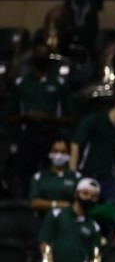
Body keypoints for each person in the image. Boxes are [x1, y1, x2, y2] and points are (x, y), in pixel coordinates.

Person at [9, 41, 74, 198]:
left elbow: (70, 118)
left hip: (52, 136)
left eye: (44, 53)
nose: (41, 56)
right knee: (26, 175)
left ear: (49, 57)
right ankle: (27, 206)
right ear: (32, 57)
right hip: (28, 135)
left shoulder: (59, 83)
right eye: (38, 53)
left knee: (51, 173)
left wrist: (48, 118)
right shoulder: (21, 83)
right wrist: (27, 117)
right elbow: (10, 117)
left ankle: (53, 204)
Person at [70, 90, 115, 212]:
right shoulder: (95, 120)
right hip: (89, 175)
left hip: (109, 181)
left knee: (108, 217)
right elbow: (76, 144)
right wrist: (72, 175)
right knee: (84, 214)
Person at [28, 138, 82, 218]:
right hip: (44, 221)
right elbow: (33, 203)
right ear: (50, 153)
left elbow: (79, 204)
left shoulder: (77, 177)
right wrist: (58, 204)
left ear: (68, 154)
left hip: (70, 221)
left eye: (63, 152)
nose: (59, 155)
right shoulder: (38, 177)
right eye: (55, 151)